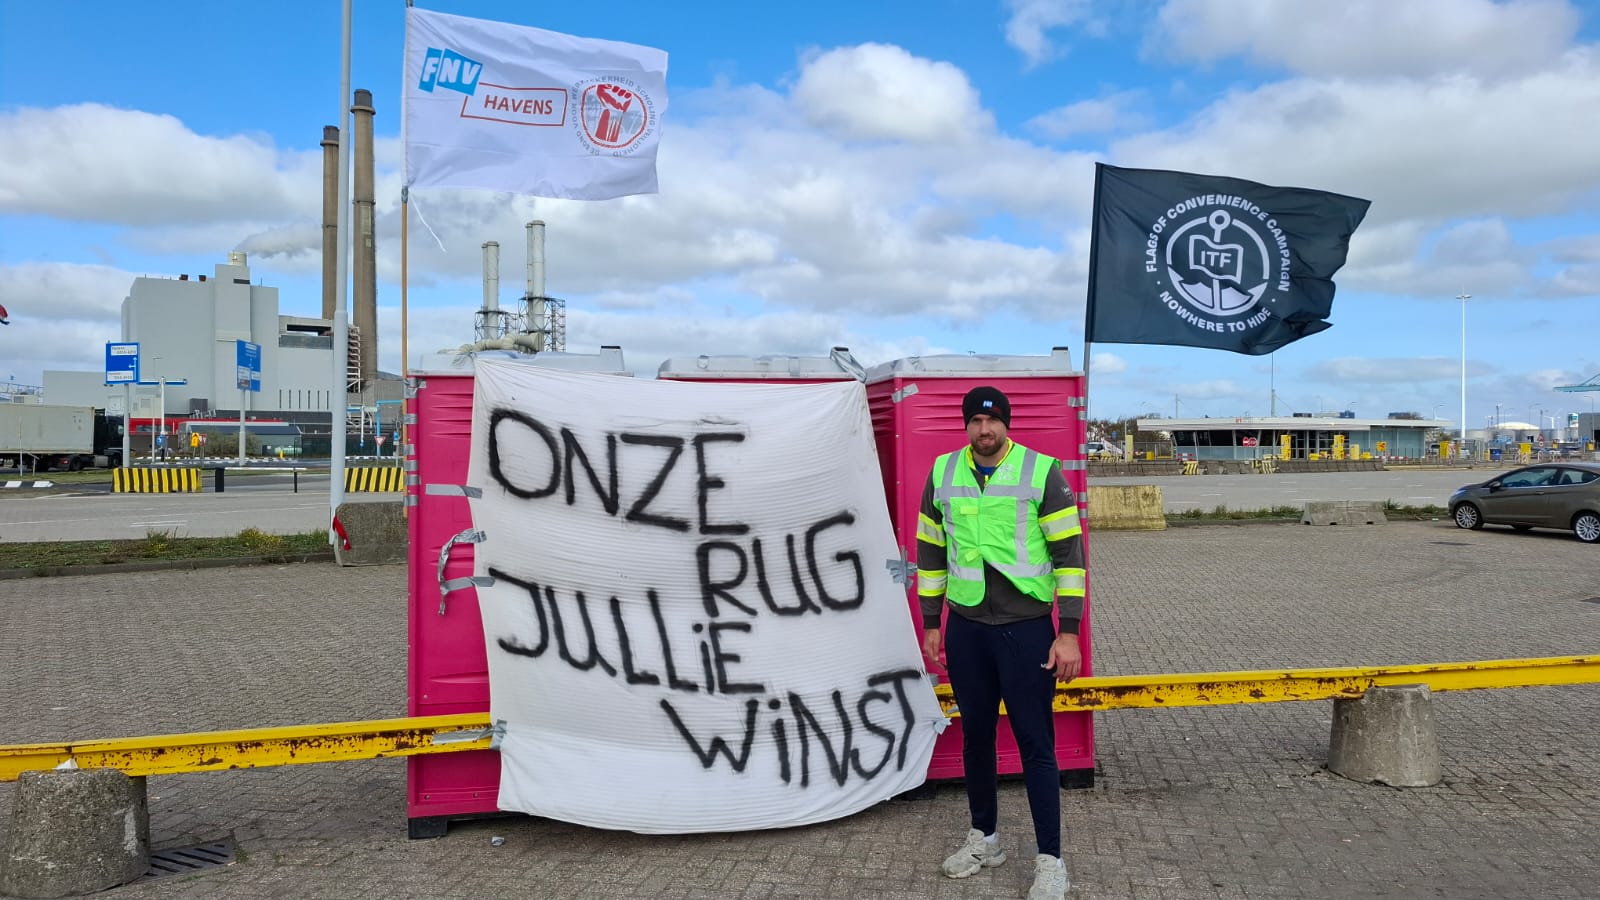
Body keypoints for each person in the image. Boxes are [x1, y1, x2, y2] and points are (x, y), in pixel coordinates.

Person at [917, 385, 1086, 900]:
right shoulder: (943, 472)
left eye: (992, 421)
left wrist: (1068, 633)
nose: (984, 430)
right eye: (975, 421)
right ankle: (985, 840)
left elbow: (1070, 556)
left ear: (1006, 425)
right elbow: (931, 550)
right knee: (976, 738)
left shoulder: (1041, 471)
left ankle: (1051, 862)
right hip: (967, 627)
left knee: (1036, 745)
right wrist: (931, 621)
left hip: (1026, 629)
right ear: (966, 425)